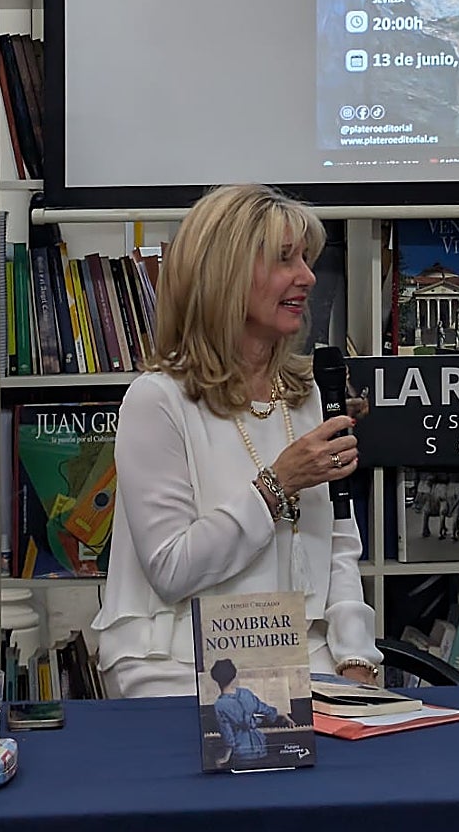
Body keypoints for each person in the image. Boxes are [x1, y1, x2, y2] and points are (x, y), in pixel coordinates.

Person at [92, 184, 383, 697]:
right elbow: (172, 570)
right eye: (284, 259)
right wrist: (278, 484)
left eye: (307, 259)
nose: (308, 277)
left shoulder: (310, 393)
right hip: (176, 660)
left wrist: (357, 657)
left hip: (297, 652)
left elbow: (338, 543)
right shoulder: (157, 401)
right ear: (224, 275)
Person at [208, 658, 293, 766]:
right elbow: (265, 709)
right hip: (260, 747)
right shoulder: (246, 693)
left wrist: (225, 757)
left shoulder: (219, 705)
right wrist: (282, 714)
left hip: (241, 752)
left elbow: (228, 735)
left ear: (216, 679)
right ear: (233, 676)